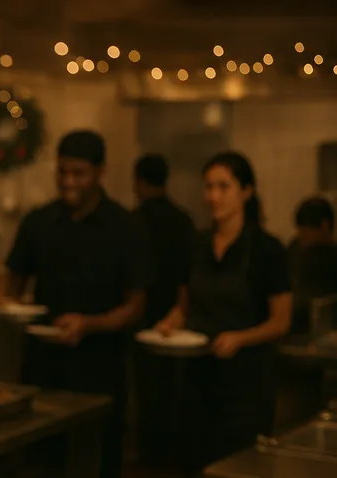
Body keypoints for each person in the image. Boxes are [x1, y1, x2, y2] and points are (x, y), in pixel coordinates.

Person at [0, 130, 150, 478]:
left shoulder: (124, 226)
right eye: (62, 172)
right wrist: (4, 300)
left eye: (79, 174)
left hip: (100, 371)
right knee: (40, 464)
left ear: (100, 173)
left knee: (94, 464)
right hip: (42, 369)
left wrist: (90, 324)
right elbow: (12, 277)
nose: (68, 182)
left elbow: (135, 305)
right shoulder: (40, 221)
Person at [155, 151, 291, 473]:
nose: (213, 196)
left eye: (223, 186)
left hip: (246, 386)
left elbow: (280, 321)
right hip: (197, 380)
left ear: (246, 191)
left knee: (240, 469)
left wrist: (241, 338)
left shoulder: (267, 249)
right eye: (208, 187)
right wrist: (168, 325)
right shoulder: (196, 244)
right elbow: (183, 307)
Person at [131, 154, 195, 465]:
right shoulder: (183, 220)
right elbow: (189, 274)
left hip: (143, 316)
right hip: (179, 316)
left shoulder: (135, 220)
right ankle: (173, 454)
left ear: (139, 182)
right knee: (174, 391)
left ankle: (150, 456)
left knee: (148, 393)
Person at [288, 197, 337, 334]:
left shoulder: (332, 258)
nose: (301, 236)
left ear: (324, 226)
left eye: (306, 231)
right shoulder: (294, 250)